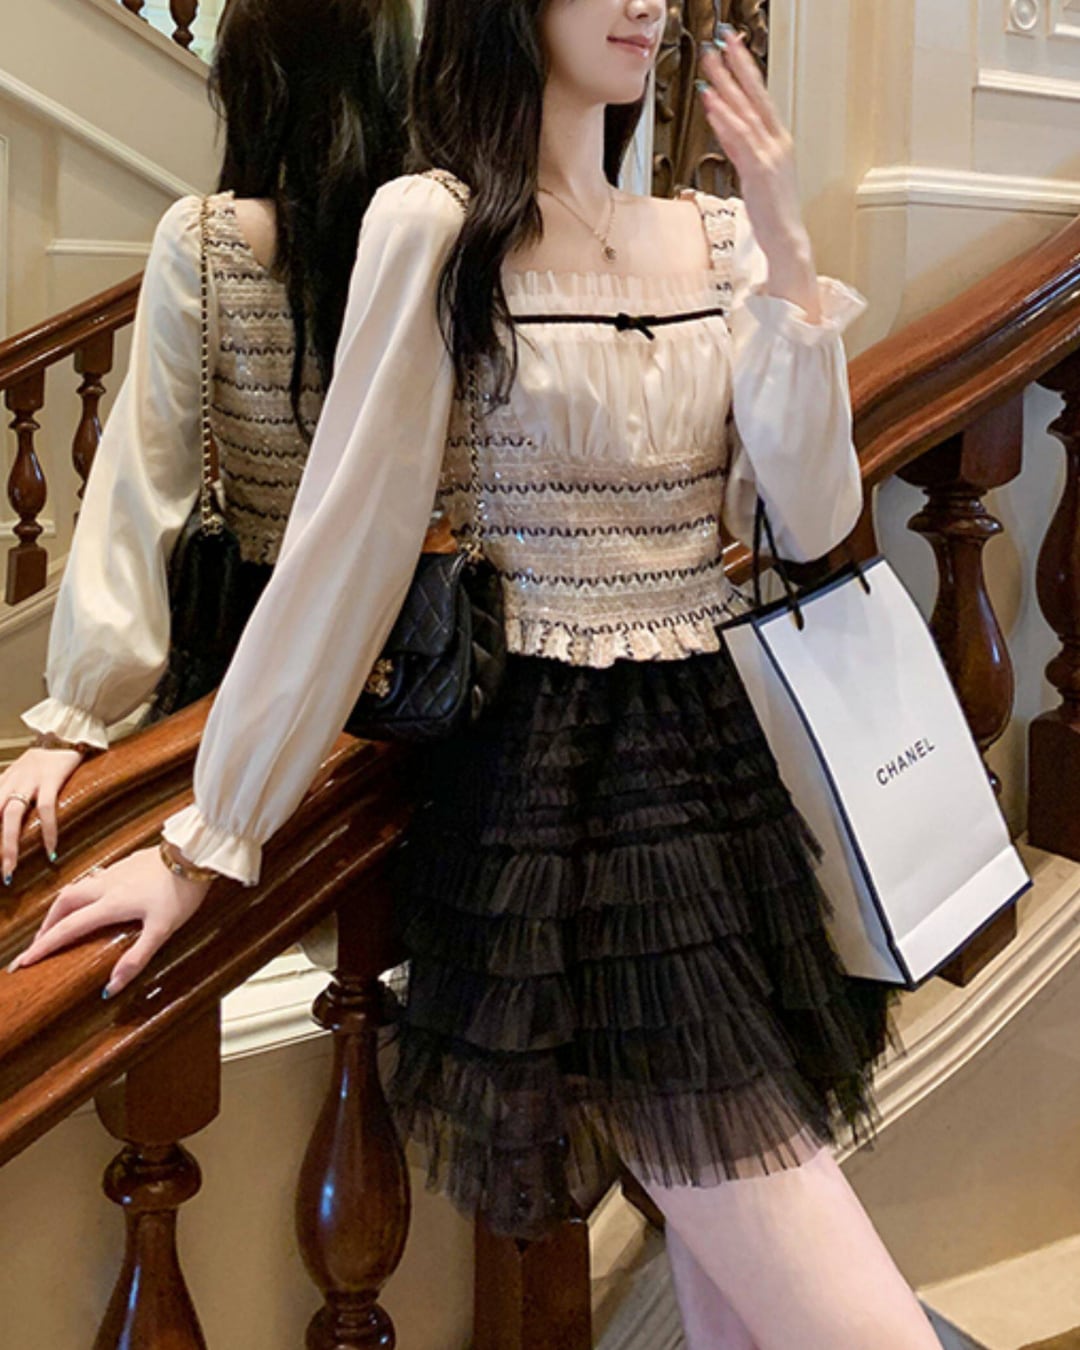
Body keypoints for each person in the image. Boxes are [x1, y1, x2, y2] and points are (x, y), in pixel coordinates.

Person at [10, 3, 940, 1345]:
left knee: (738, 1283)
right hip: (551, 793)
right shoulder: (432, 224)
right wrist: (210, 834)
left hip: (722, 773)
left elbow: (810, 515)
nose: (647, 5)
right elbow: (348, 547)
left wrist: (788, 244)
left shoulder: (715, 235)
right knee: (812, 1281)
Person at [0, 0, 413, 884]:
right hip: (424, 641)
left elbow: (142, 478)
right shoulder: (443, 236)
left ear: (254, 84)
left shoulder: (208, 240)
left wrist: (77, 712)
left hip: (258, 641)